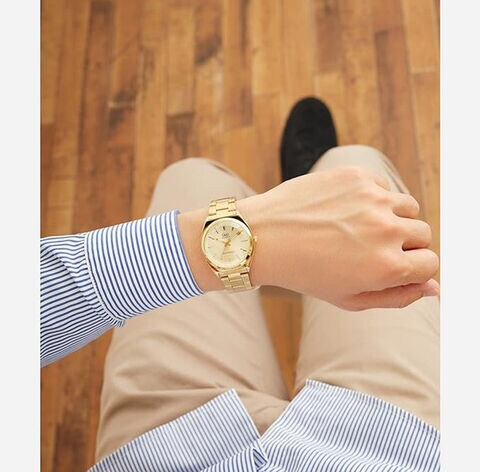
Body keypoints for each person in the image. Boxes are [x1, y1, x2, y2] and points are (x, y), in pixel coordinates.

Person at [41, 98, 440, 471]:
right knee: (355, 162)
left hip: (168, 446)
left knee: (190, 177)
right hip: (389, 444)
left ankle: (306, 214)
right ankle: (315, 190)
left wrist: (239, 238)